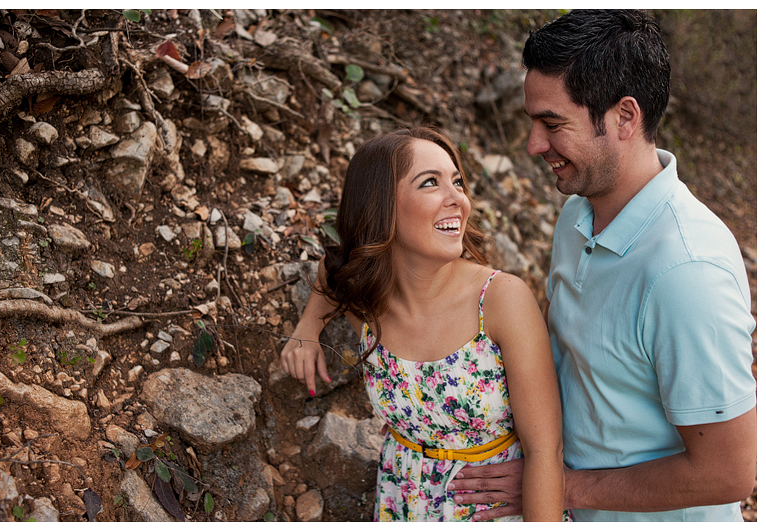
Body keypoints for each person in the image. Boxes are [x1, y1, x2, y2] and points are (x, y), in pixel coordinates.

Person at [447, 9, 757, 522]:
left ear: (625, 117)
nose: (533, 145)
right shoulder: (576, 215)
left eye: (552, 124)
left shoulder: (687, 273)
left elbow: (728, 472)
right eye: (532, 122)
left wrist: (561, 487)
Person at [280, 127, 566, 521]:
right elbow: (331, 270)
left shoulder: (500, 301)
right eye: (430, 183)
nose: (457, 199)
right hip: (405, 501)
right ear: (379, 206)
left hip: (496, 510)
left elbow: (545, 453)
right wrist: (305, 331)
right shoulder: (369, 304)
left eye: (458, 182)